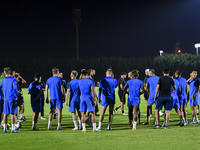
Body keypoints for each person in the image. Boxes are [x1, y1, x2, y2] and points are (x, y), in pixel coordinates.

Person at [0, 67, 20, 133]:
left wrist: (3, 95)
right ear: (11, 73)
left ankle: (5, 129)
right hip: (12, 98)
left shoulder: (3, 80)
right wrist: (17, 95)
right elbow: (15, 89)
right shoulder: (13, 80)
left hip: (6, 99)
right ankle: (13, 129)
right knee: (13, 114)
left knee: (5, 113)